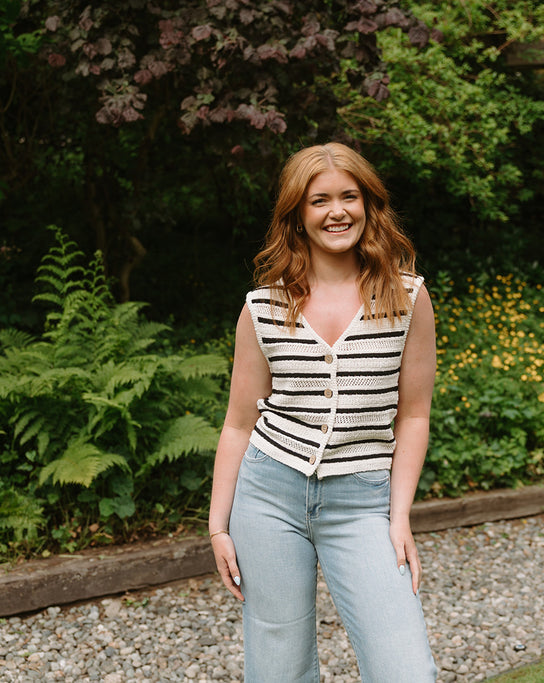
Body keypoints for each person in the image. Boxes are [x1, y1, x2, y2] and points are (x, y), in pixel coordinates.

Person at [207, 142, 438, 682]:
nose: (337, 211)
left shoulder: (407, 297)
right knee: (279, 668)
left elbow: (414, 416)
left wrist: (398, 514)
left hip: (362, 502)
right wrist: (219, 525)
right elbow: (240, 421)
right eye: (320, 200)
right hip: (267, 495)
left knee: (404, 669)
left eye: (349, 197)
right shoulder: (263, 305)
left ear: (368, 205)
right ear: (298, 214)